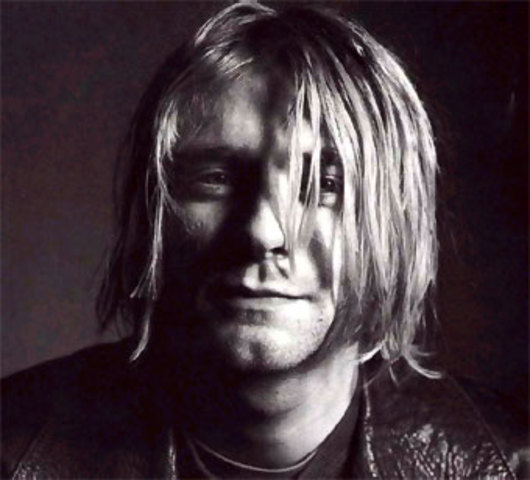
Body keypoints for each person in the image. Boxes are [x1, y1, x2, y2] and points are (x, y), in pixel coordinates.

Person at [2, 2, 526, 478]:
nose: (262, 232)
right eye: (216, 178)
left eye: (323, 184)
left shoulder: (509, 463)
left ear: (397, 220)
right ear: (154, 209)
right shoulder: (12, 449)